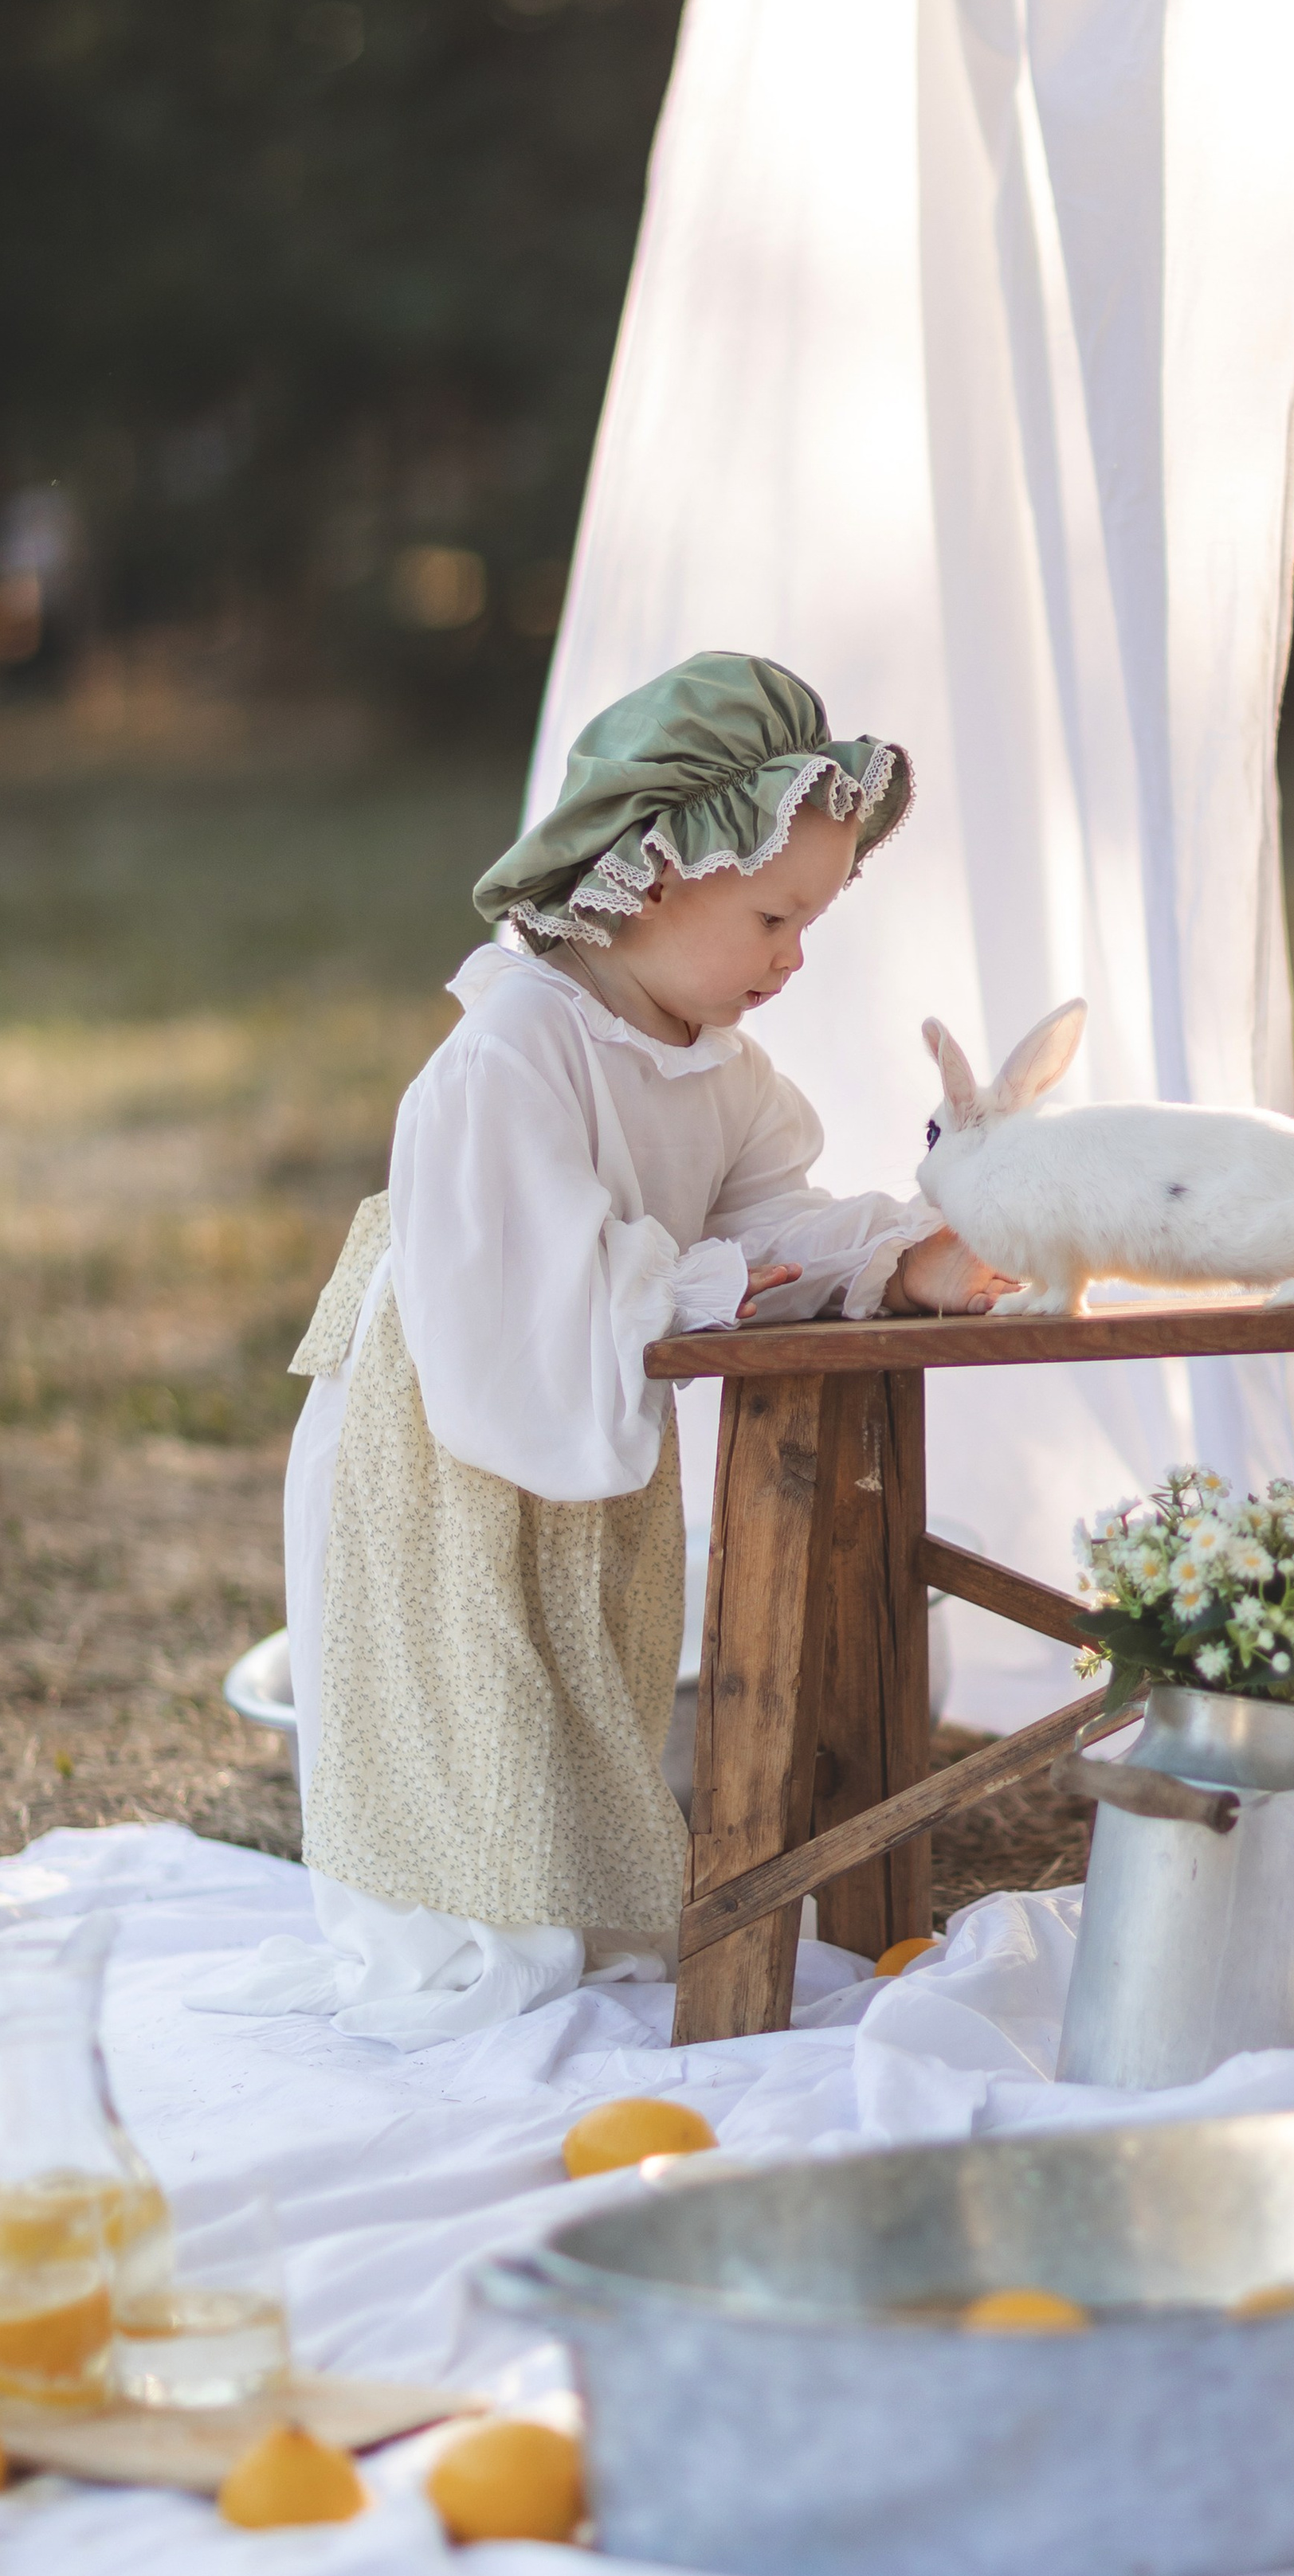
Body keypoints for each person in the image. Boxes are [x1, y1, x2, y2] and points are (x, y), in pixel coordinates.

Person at [223, 653, 1011, 2044]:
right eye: (775, 914)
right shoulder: (516, 1045)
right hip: (454, 1412)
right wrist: (705, 1282)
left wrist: (912, 1253)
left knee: (579, 1666)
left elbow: (781, 1234)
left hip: (577, 1394)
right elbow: (528, 1284)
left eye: (813, 921)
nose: (795, 956)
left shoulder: (728, 1076)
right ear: (653, 875)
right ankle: (467, 1937)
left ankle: (567, 1904)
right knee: (466, 1676)